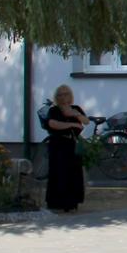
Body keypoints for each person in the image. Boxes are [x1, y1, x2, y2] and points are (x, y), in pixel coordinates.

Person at [43, 84, 89, 213]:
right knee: (59, 172)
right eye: (61, 94)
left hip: (72, 144)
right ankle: (56, 202)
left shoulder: (76, 108)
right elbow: (53, 123)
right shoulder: (54, 110)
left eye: (66, 94)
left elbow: (85, 121)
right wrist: (72, 124)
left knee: (74, 172)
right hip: (58, 144)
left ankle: (72, 202)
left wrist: (74, 114)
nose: (64, 97)